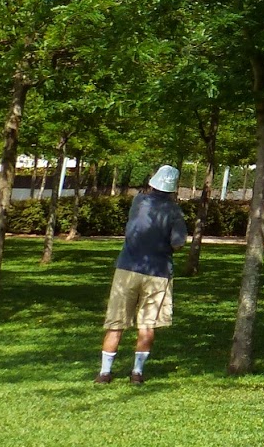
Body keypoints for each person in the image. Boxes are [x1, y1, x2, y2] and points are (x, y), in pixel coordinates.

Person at [96, 165, 188, 385]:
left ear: (153, 182)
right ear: (173, 188)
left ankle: (104, 373)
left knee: (116, 323)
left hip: (127, 269)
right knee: (147, 324)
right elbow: (178, 243)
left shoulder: (138, 202)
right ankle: (137, 373)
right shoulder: (175, 212)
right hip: (158, 272)